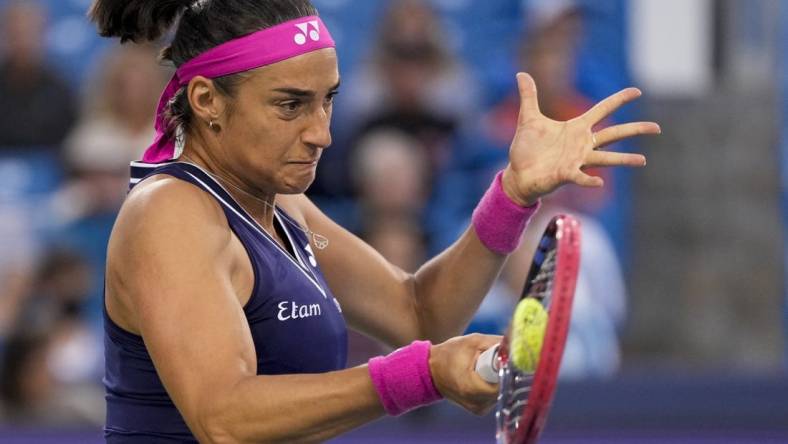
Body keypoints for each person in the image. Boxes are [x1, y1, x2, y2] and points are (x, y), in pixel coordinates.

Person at [89, 0, 659, 442]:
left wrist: (511, 195)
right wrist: (425, 375)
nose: (321, 133)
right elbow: (224, 419)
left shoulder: (282, 207)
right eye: (290, 105)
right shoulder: (170, 214)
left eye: (327, 100)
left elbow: (418, 312)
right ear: (208, 99)